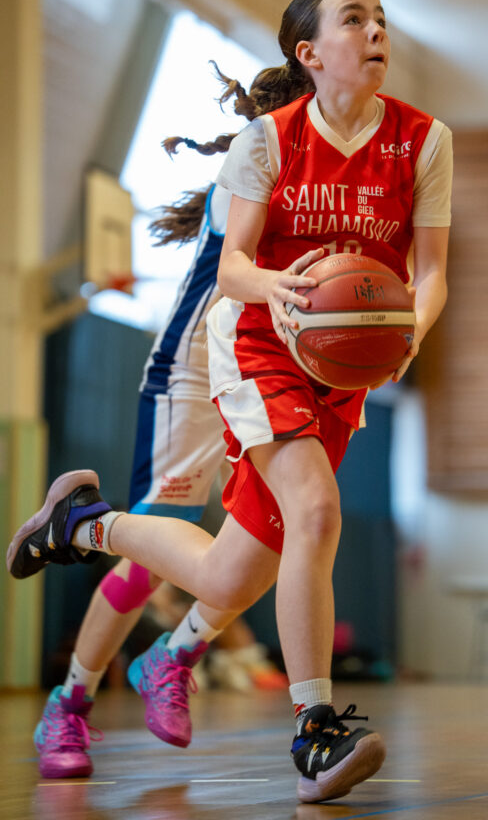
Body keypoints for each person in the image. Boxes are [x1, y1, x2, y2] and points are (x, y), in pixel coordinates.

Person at [7, 0, 452, 803]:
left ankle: (157, 625)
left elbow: (427, 275)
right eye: (354, 20)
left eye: (380, 20)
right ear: (308, 59)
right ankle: (74, 703)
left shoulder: (413, 142)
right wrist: (286, 295)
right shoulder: (267, 147)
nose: (375, 33)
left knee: (245, 565)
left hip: (323, 361)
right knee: (274, 519)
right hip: (208, 355)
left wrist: (407, 331)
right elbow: (236, 273)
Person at [32, 133, 283, 781]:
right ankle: (69, 704)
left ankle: (174, 654)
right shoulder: (259, 161)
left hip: (265, 377)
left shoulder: (342, 180)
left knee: (275, 536)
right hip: (194, 374)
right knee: (149, 561)